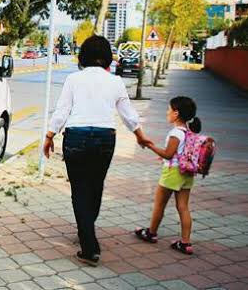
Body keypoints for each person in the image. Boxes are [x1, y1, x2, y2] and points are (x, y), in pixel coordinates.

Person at [43, 35, 152, 266]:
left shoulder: (74, 79)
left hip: (77, 137)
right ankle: (87, 231)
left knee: (79, 190)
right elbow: (128, 113)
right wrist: (140, 136)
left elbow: (62, 110)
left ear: (83, 56)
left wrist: (50, 135)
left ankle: (89, 245)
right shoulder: (115, 81)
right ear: (107, 58)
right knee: (95, 186)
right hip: (105, 138)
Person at [135, 96, 201, 255]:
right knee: (183, 207)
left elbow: (168, 154)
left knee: (160, 204)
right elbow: (180, 152)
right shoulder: (189, 131)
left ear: (176, 113)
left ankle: (151, 233)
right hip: (187, 173)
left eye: (169, 110)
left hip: (173, 173)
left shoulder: (176, 133)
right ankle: (185, 243)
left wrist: (149, 145)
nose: (167, 112)